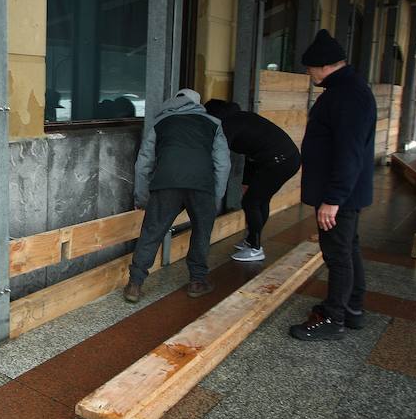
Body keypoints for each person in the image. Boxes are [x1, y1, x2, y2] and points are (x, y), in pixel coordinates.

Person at [289, 29, 377, 341]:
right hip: (343, 192)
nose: (309, 73)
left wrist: (333, 199)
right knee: (348, 248)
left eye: (311, 68)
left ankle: (333, 318)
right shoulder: (347, 90)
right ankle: (352, 308)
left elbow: (349, 152)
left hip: (339, 194)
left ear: (326, 66)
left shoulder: (347, 96)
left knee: (337, 255)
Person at [123, 89, 231, 302]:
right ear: (198, 103)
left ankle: (134, 284)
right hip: (201, 185)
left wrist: (142, 198)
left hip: (166, 183)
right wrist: (216, 197)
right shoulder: (213, 124)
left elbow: (144, 163)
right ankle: (197, 282)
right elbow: (223, 164)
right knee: (201, 232)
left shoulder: (160, 122)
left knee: (151, 232)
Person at [204, 99, 300, 262]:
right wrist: (246, 182)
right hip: (286, 159)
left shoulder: (228, 124)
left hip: (279, 162)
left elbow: (220, 152)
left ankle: (255, 248)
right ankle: (252, 241)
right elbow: (250, 152)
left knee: (251, 202)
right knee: (261, 200)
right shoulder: (243, 117)